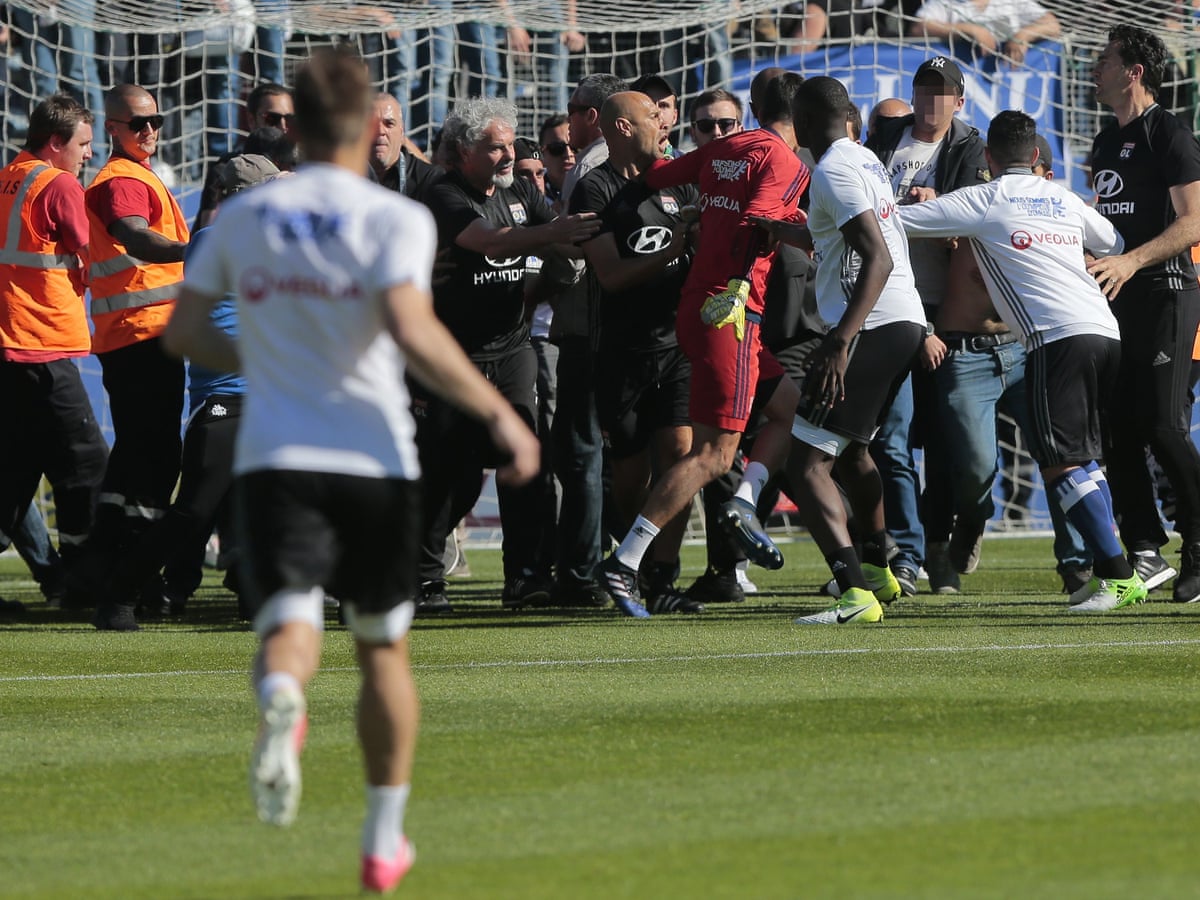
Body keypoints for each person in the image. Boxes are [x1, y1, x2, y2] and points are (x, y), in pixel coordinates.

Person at [163, 45, 540, 895]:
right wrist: (498, 412)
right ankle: (381, 837)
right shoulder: (392, 218)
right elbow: (413, 329)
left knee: (291, 626)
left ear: (292, 122)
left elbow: (184, 333)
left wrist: (269, 349)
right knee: (381, 652)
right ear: (372, 123)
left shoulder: (247, 217)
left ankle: (282, 702)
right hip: (374, 453)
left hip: (277, 455)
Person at [897, 109, 1148, 612]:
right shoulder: (1062, 196)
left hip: (1053, 339)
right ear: (1036, 158)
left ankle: (1118, 576)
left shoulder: (985, 198)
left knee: (1058, 463)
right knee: (1079, 457)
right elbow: (1114, 243)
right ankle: (1115, 569)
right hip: (1104, 331)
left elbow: (897, 221)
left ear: (988, 158)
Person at [597, 72, 809, 616]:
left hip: (698, 307)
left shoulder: (723, 150)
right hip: (731, 313)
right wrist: (827, 229)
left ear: (751, 111)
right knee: (713, 454)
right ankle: (625, 562)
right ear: (802, 119)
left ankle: (743, 503)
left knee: (787, 407)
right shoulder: (785, 161)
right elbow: (765, 219)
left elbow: (655, 177)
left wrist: (702, 212)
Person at [418, 97, 601, 613]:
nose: (506, 156)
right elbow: (486, 242)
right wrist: (552, 236)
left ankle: (525, 575)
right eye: (493, 147)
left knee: (527, 462)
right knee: (451, 473)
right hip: (455, 358)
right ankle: (425, 577)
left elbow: (563, 237)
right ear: (460, 151)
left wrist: (581, 250)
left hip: (514, 348)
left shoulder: (519, 189)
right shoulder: (442, 193)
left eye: (509, 146)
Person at [755, 75, 926, 626]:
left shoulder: (831, 168)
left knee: (805, 466)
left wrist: (839, 341)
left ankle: (855, 594)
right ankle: (877, 570)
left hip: (871, 326)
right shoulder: (864, 161)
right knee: (851, 454)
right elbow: (837, 238)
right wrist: (779, 231)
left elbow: (877, 257)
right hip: (899, 322)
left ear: (802, 126)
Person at [573, 91, 702, 613]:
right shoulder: (595, 187)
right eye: (652, 114)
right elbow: (612, 275)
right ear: (622, 128)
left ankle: (663, 578)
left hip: (679, 346)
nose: (664, 121)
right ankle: (633, 563)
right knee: (629, 478)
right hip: (622, 352)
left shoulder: (679, 179)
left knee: (680, 456)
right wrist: (674, 248)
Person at [865, 55, 987, 596]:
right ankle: (904, 554)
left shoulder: (968, 148)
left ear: (959, 100)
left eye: (943, 91)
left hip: (944, 311)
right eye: (923, 88)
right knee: (889, 439)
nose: (931, 99)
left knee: (947, 444)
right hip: (889, 305)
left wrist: (942, 207)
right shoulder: (884, 138)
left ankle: (946, 542)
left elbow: (972, 226)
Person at [1089, 24, 1200, 604]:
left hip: (1169, 293)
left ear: (1134, 71)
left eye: (1105, 59)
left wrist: (1130, 261)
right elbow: (1110, 227)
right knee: (1118, 428)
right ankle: (1145, 549)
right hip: (1118, 296)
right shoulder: (1105, 142)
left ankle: (1199, 545)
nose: (1094, 67)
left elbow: (1194, 222)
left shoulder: (1171, 134)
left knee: (1162, 423)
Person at [84, 84, 190, 631]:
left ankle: (105, 567)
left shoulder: (133, 174)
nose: (150, 130)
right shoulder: (122, 179)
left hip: (136, 336)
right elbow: (134, 237)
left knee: (134, 462)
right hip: (142, 336)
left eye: (157, 121)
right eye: (138, 123)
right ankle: (133, 578)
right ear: (113, 130)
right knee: (155, 460)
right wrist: (190, 249)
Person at [0, 94, 108, 606]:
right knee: (85, 463)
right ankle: (85, 579)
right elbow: (93, 254)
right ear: (54, 143)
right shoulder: (59, 184)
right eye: (84, 144)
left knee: (16, 470)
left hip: (10, 345)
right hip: (39, 344)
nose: (90, 154)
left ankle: (64, 579)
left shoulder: (5, 177)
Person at [911, 0, 1061, 64]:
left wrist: (1023, 36)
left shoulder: (1012, 2)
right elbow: (918, 27)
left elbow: (1052, 25)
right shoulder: (946, 2)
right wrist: (968, 30)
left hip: (1010, 80)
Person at [368, 92, 441, 202]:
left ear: (402, 131)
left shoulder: (429, 179)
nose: (380, 131)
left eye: (389, 124)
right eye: (372, 124)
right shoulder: (345, 173)